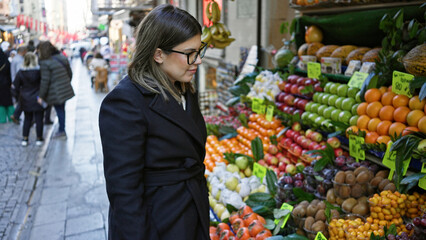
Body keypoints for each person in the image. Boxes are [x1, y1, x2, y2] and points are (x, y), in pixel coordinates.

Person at [98, 4, 209, 240]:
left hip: (190, 211)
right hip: (158, 224)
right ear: (158, 54)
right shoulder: (125, 102)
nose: (198, 60)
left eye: (200, 50)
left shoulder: (184, 87)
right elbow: (124, 193)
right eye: (190, 53)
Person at [38, 41, 74, 139]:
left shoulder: (45, 62)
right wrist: (66, 82)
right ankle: (61, 129)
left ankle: (62, 131)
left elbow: (45, 80)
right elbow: (69, 72)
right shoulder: (62, 57)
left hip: (55, 90)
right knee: (61, 109)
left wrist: (41, 95)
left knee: (59, 110)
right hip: (64, 87)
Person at [13, 52, 44, 146]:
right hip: (38, 97)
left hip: (25, 98)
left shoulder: (21, 72)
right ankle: (39, 138)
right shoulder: (39, 71)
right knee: (39, 119)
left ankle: (25, 139)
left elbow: (15, 86)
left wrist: (19, 95)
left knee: (27, 119)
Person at [10, 45, 28, 124]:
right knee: (22, 100)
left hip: (16, 83)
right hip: (19, 84)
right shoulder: (19, 60)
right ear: (23, 51)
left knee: (22, 100)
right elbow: (19, 72)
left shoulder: (16, 59)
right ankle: (16, 115)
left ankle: (16, 115)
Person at [0, 48, 14, 123]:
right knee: (9, 101)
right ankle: (12, 116)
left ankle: (2, 119)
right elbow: (10, 72)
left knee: (0, 102)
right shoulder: (6, 61)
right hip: (6, 83)